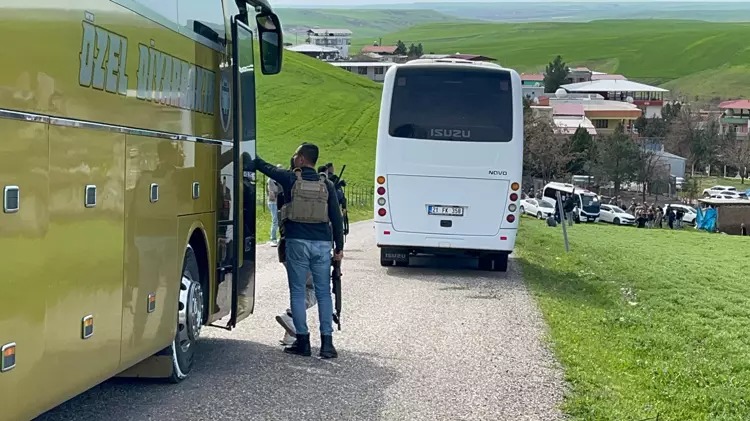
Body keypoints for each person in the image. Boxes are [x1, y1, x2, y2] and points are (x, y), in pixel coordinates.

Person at [253, 143, 345, 359]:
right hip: (322, 243)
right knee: (323, 293)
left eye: (296, 155)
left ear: (302, 159)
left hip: (297, 242)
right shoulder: (327, 184)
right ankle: (327, 344)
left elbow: (265, 167)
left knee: (297, 291)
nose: (293, 157)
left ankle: (303, 342)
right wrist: (339, 248)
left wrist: (250, 155)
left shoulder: (291, 178)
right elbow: (336, 218)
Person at [267, 164, 283, 247]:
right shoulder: (271, 180)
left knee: (279, 220)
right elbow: (273, 191)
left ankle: (277, 237)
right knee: (275, 220)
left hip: (278, 201)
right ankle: (272, 238)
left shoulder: (278, 180)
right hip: (273, 202)